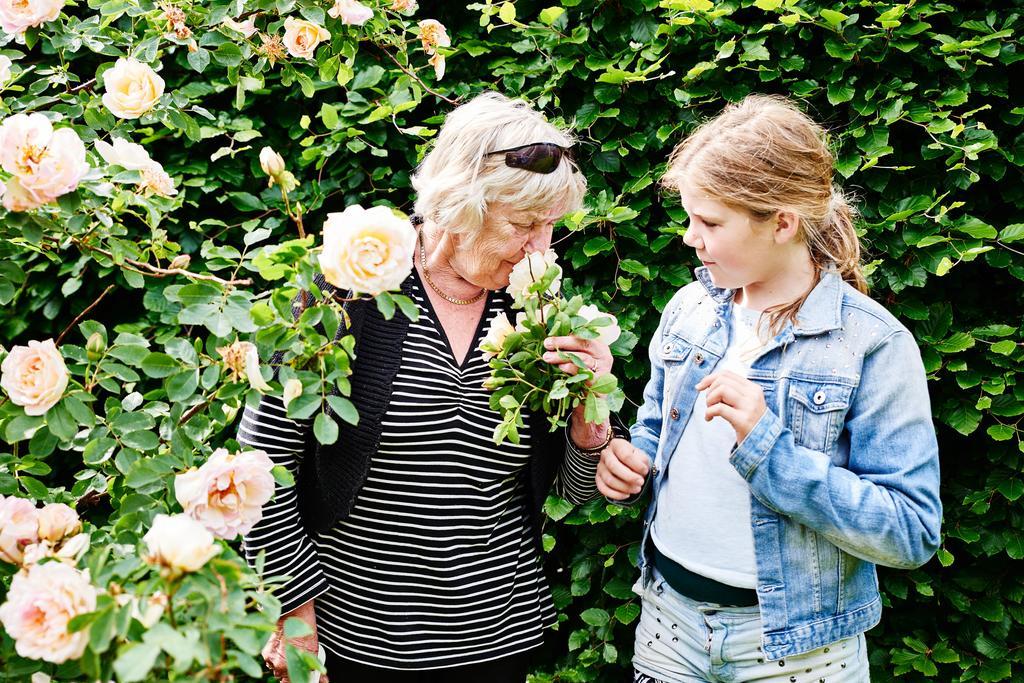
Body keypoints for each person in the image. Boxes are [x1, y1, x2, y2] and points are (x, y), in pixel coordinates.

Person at [239, 92, 622, 682]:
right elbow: (263, 470)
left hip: (500, 636)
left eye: (551, 228)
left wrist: (589, 417)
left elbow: (573, 494)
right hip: (360, 639)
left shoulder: (537, 308)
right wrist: (295, 617)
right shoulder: (352, 286)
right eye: (523, 226)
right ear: (461, 206)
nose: (541, 251)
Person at [596, 95, 942, 682]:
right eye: (689, 218)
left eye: (709, 222)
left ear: (782, 222)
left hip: (797, 651)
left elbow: (910, 531)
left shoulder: (871, 343)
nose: (689, 238)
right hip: (667, 624)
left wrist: (769, 447)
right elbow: (658, 426)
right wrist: (631, 461)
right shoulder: (689, 309)